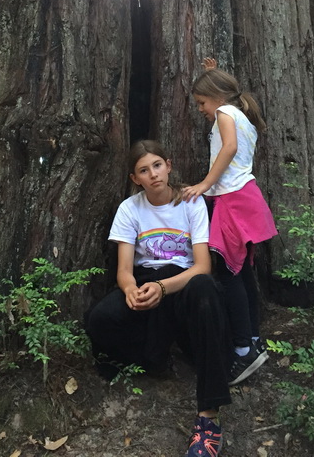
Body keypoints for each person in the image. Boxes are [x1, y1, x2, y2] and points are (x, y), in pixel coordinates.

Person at [86, 140, 230, 457]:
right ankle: (154, 357)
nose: (153, 175)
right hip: (147, 282)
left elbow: (202, 266)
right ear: (135, 178)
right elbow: (124, 270)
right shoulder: (131, 208)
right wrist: (130, 290)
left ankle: (209, 416)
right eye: (143, 170)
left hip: (184, 283)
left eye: (157, 165)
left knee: (206, 289)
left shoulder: (191, 203)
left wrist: (165, 287)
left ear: (168, 165)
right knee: (99, 319)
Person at [184, 59, 278, 385]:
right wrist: (213, 69)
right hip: (245, 197)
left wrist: (205, 184)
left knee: (228, 272)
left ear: (217, 97)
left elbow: (229, 147)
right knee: (243, 273)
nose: (200, 110)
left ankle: (242, 350)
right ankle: (253, 340)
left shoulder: (226, 113)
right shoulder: (241, 113)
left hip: (232, 199)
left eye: (201, 103)